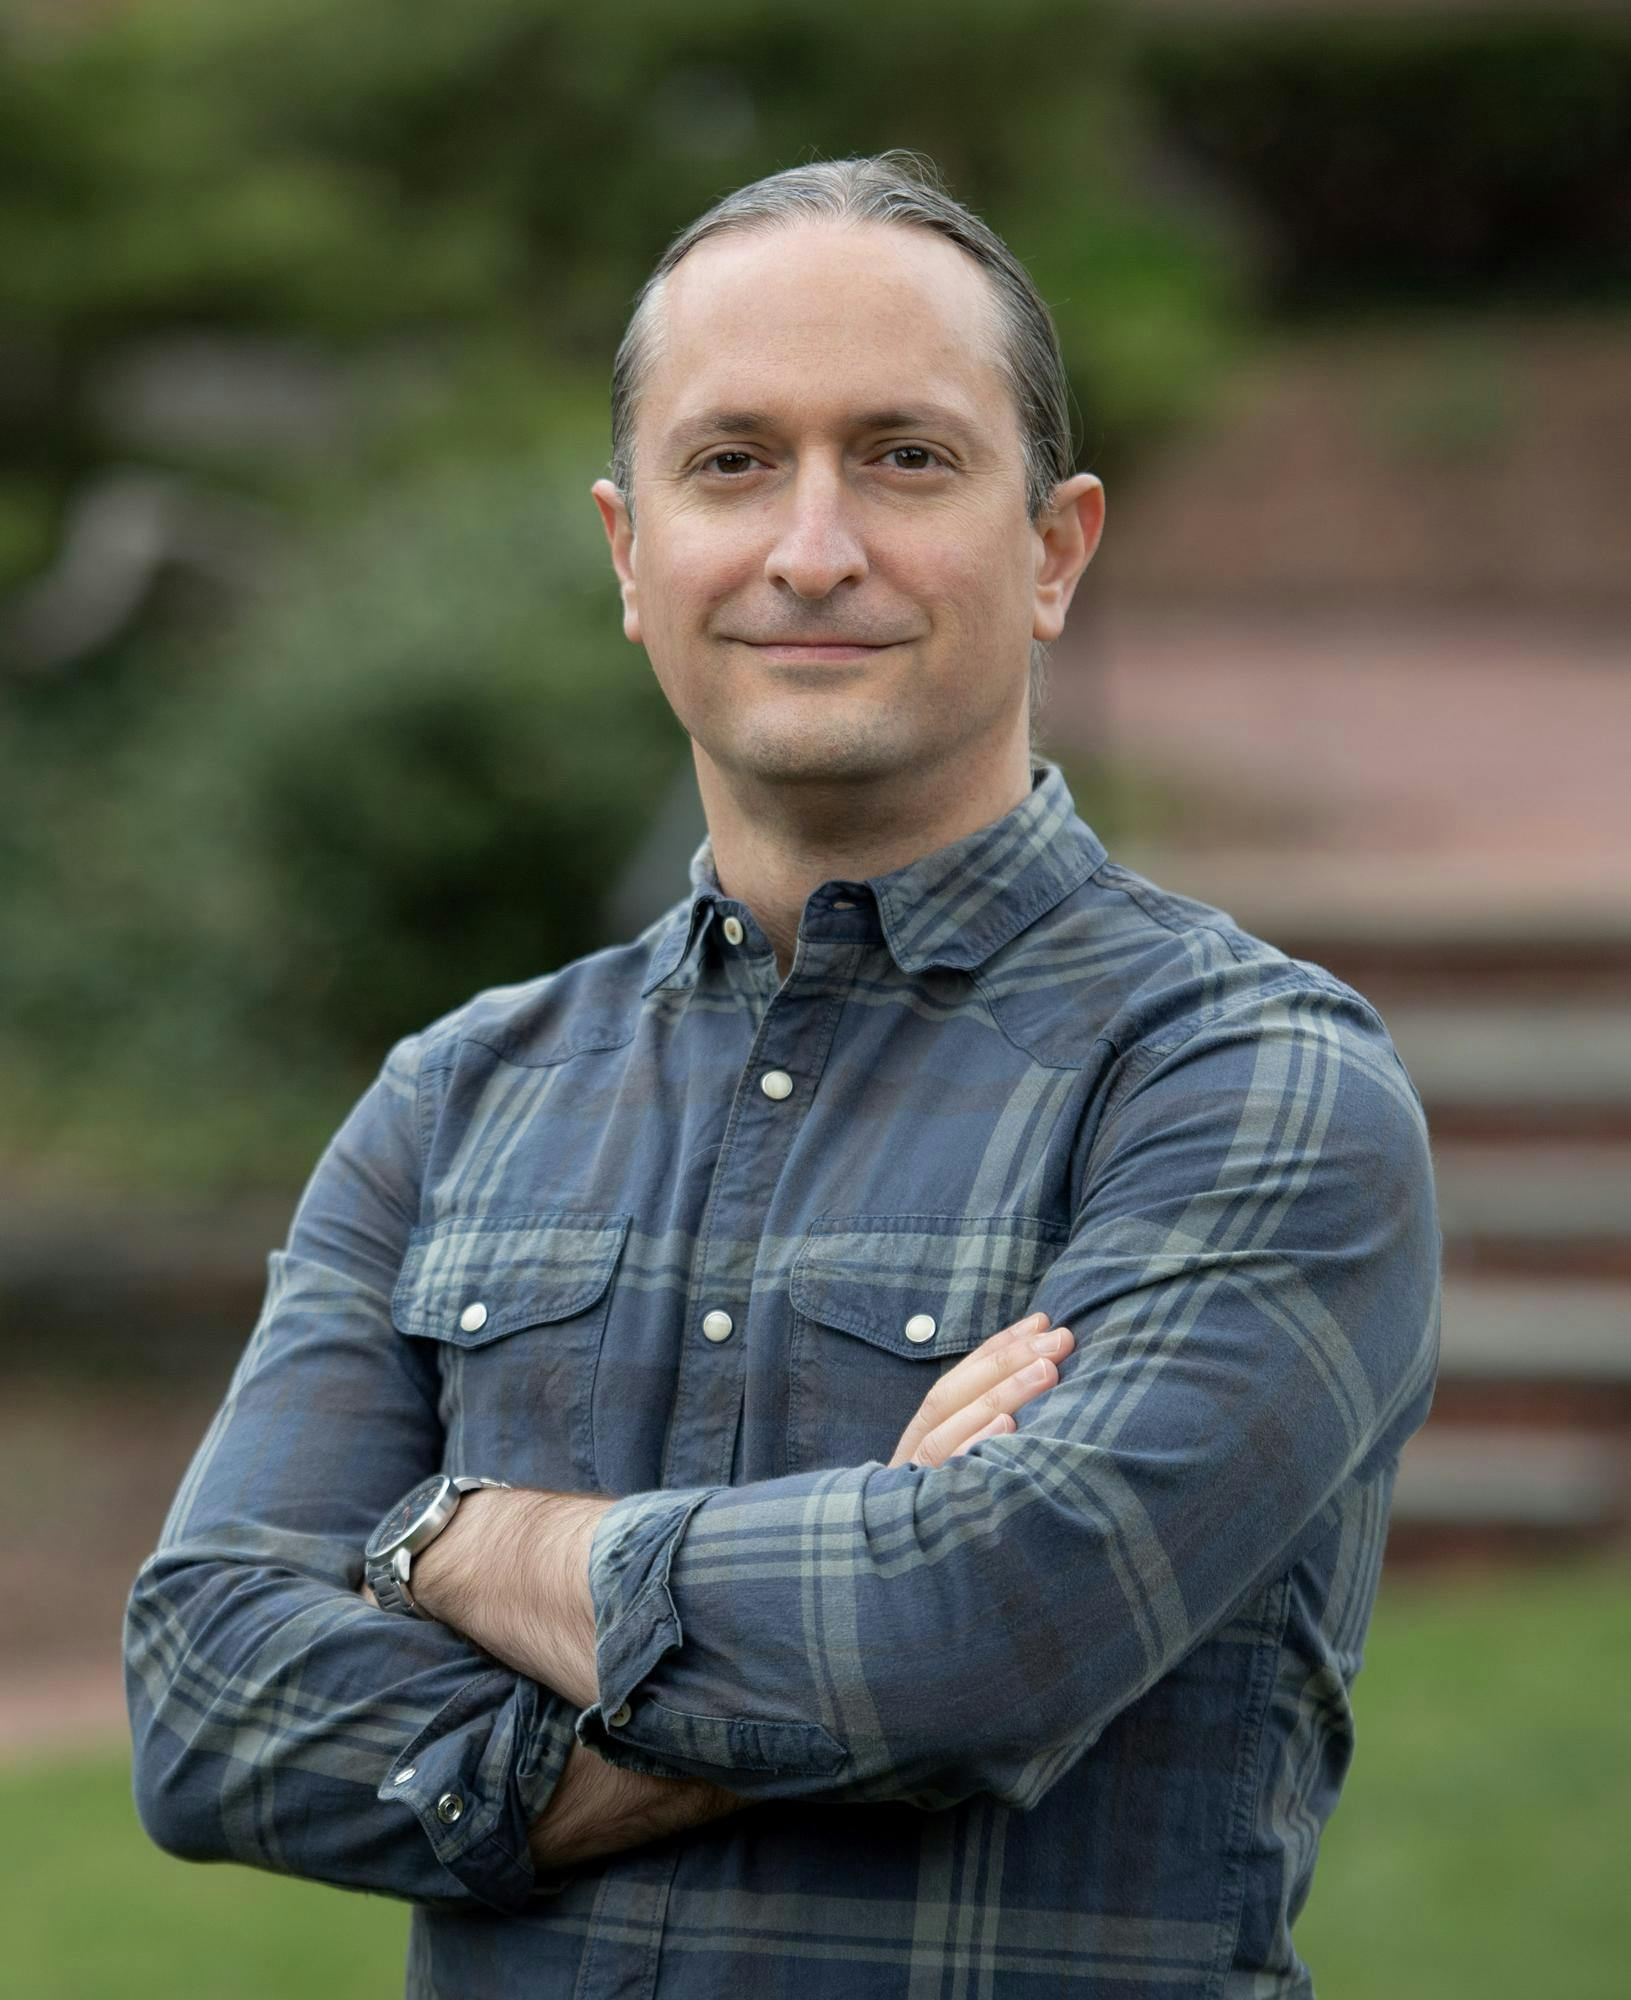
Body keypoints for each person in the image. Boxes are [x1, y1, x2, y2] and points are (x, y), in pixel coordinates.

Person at [124, 151, 1441, 1998]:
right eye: (733, 462)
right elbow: (203, 1704)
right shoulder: (455, 1096)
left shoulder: (1244, 1087)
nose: (811, 549)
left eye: (905, 458)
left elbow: (979, 1637)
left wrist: (444, 1540)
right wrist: (836, 1636)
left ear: (1052, 550)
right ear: (628, 550)